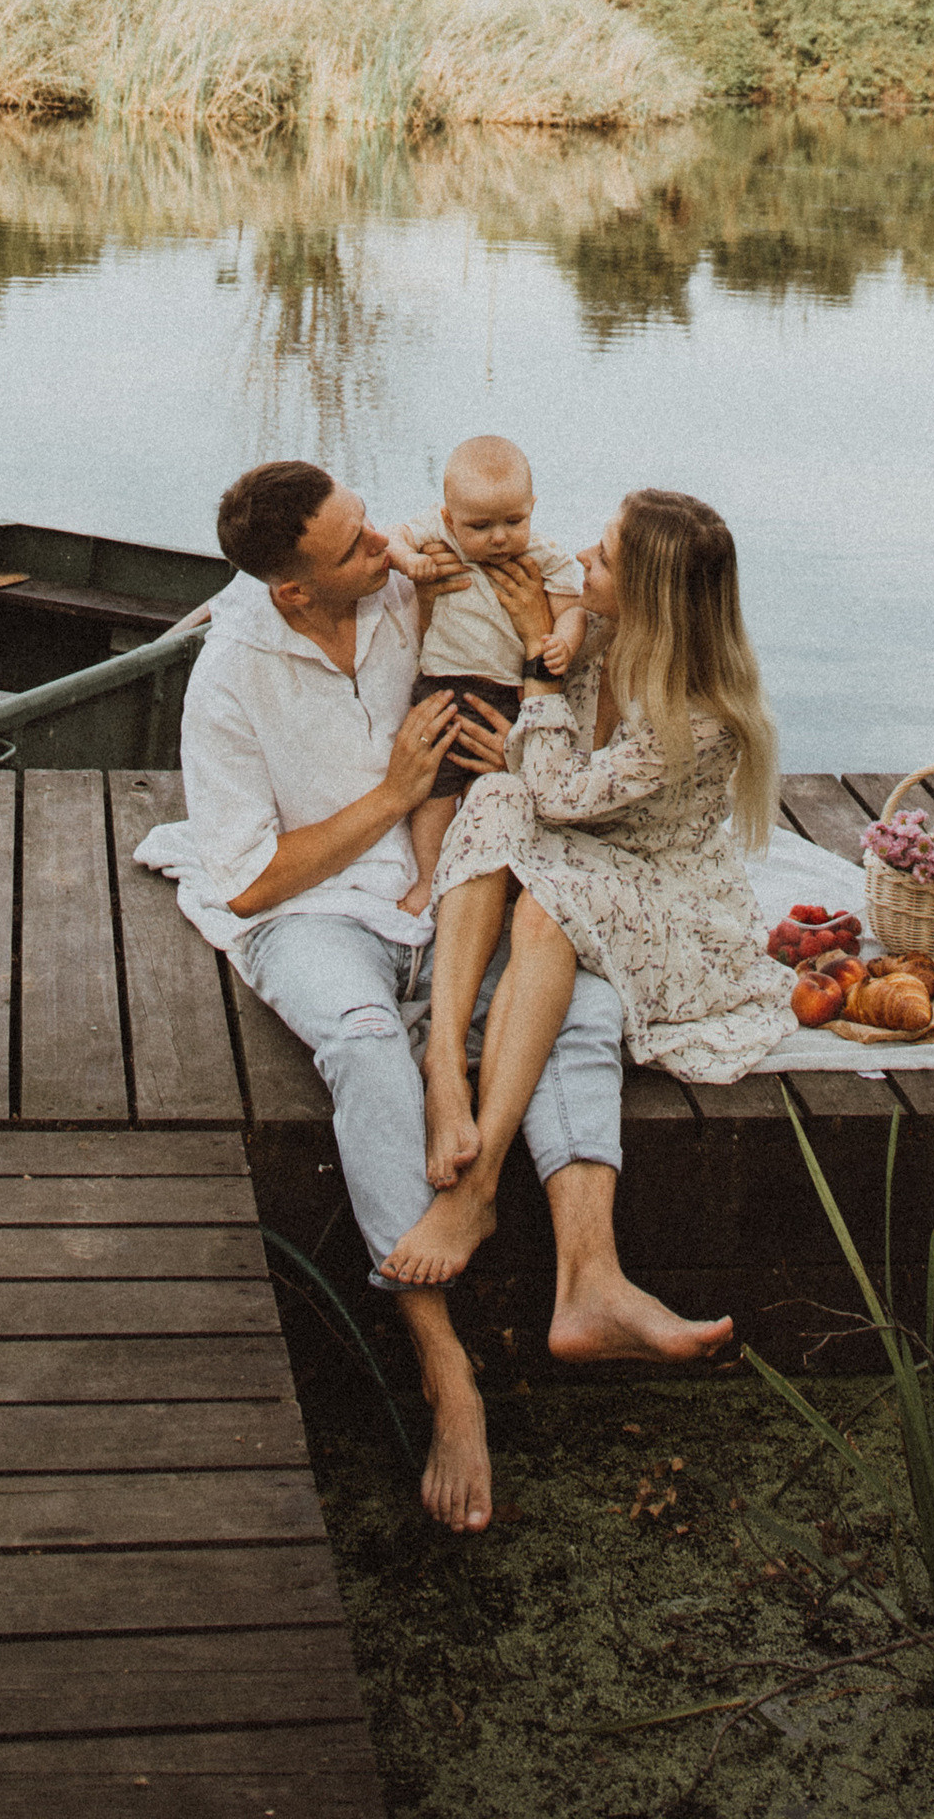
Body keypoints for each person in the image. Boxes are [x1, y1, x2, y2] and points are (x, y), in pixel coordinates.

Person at [178, 456, 732, 1535]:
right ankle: (445, 1371)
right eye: (357, 545)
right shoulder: (230, 675)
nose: (385, 545)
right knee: (364, 1040)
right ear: (293, 589)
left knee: (580, 1003)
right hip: (315, 909)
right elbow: (246, 881)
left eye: (371, 523)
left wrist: (529, 688)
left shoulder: (410, 578)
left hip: (450, 880)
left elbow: (555, 617)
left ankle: (591, 1280)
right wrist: (392, 794)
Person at [382, 487, 797, 1291]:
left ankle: (478, 1186)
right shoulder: (601, 634)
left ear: (649, 591)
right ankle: (443, 1062)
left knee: (545, 902)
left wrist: (536, 685)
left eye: (603, 558)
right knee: (492, 797)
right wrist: (540, 666)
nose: (581, 559)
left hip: (664, 889)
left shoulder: (701, 713)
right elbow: (539, 783)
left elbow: (556, 791)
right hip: (582, 843)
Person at [386, 433, 588, 920]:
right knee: (435, 791)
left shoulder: (542, 553)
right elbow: (391, 538)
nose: (499, 537)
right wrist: (410, 561)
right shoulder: (440, 535)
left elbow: (573, 609)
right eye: (480, 526)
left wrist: (562, 641)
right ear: (450, 516)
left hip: (507, 692)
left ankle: (488, 881)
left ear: (532, 507)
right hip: (441, 685)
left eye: (513, 521)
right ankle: (428, 877)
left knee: (489, 793)